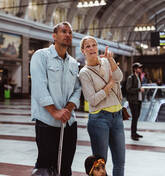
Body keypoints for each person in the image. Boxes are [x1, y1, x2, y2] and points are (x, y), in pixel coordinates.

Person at [30, 21, 81, 176]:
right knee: (46, 167)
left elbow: (77, 89)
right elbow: (39, 87)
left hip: (69, 123)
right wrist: (54, 112)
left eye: (70, 32)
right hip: (47, 122)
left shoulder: (73, 63)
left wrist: (68, 109)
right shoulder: (41, 56)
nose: (67, 35)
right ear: (54, 35)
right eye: (63, 31)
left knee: (65, 167)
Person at [79, 36, 125, 176]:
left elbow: (119, 77)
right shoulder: (84, 73)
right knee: (100, 165)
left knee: (120, 161)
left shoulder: (106, 61)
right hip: (99, 120)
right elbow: (92, 100)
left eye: (94, 45)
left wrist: (111, 60)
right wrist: (110, 84)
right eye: (88, 46)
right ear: (83, 51)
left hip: (117, 117)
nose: (92, 48)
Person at [126, 62, 144, 141]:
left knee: (136, 117)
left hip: (138, 100)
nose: (140, 69)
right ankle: (133, 134)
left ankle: (135, 132)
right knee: (135, 117)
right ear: (135, 69)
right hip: (133, 101)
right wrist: (139, 89)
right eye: (139, 68)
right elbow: (128, 89)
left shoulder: (138, 77)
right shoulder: (131, 77)